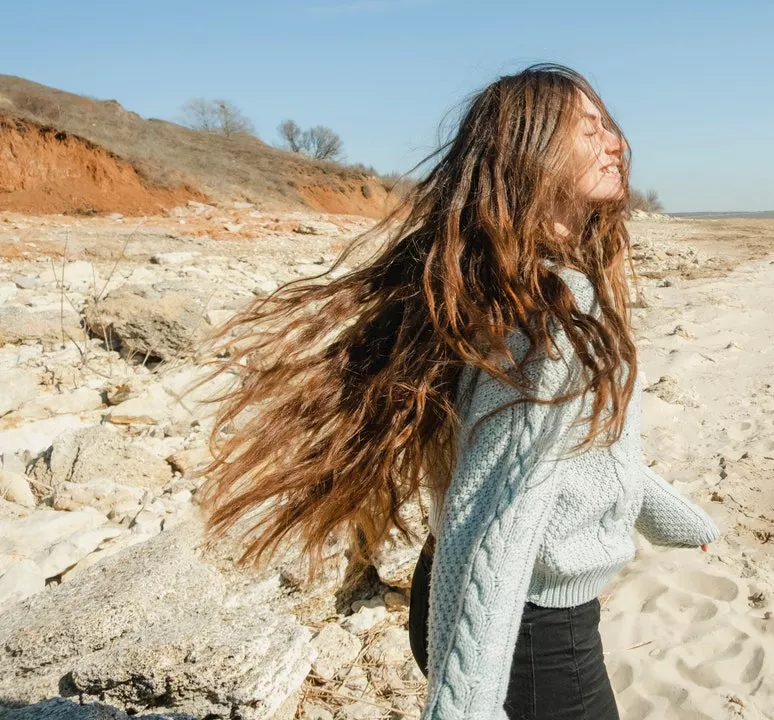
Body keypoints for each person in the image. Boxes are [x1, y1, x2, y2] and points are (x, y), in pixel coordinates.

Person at [190, 63, 721, 720]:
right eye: (590, 129)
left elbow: (571, 452)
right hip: (522, 634)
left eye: (608, 124)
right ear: (533, 155)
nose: (615, 141)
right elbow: (493, 518)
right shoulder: (553, 311)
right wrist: (464, 700)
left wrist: (666, 514)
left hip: (465, 597)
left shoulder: (501, 281)